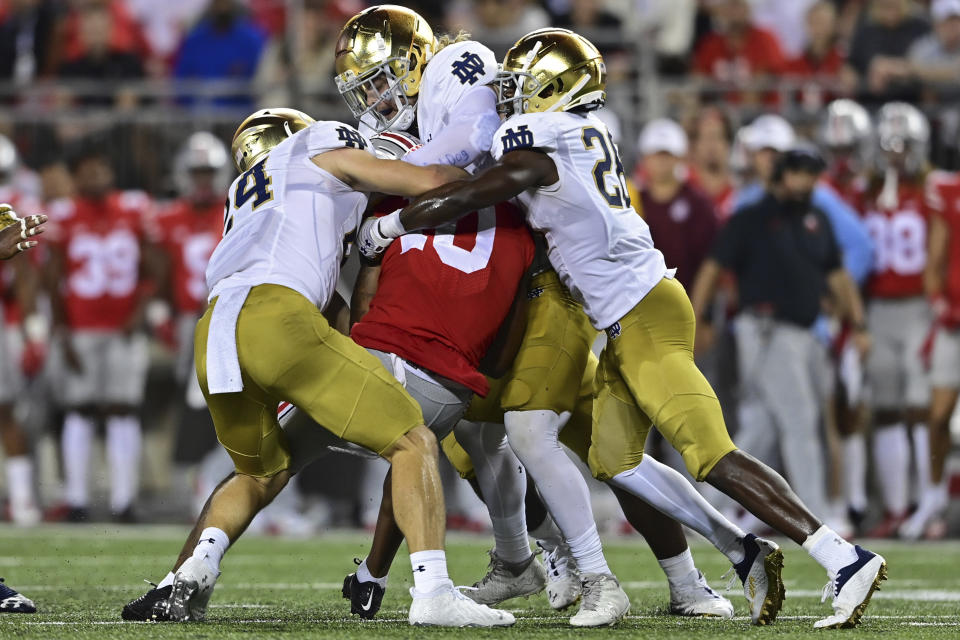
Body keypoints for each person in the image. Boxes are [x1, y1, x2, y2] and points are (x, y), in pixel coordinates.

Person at [359, 28, 888, 630]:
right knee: (617, 459)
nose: (509, 95)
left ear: (555, 88)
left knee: (709, 455)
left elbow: (477, 187)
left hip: (645, 313)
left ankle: (843, 558)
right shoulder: (583, 131)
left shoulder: (541, 140)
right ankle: (742, 551)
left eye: (523, 84)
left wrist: (392, 222)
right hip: (621, 317)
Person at [335, 8, 734, 626]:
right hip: (517, 288)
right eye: (365, 88)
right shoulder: (434, 100)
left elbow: (462, 156)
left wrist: (392, 181)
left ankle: (626, 571)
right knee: (481, 434)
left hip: (548, 284)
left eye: (382, 80)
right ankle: (541, 559)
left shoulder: (454, 69)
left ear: (416, 60)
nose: (377, 98)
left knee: (549, 436)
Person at [122, 108, 513, 628]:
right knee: (412, 439)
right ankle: (435, 592)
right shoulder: (315, 147)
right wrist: (489, 173)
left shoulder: (250, 199)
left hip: (214, 332)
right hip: (278, 318)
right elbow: (431, 180)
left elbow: (336, 317)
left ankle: (186, 576)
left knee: (259, 471)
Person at [45, 147, 155, 523]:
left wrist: (139, 314)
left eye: (101, 168)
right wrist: (61, 331)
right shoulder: (64, 214)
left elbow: (153, 268)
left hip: (123, 326)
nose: (96, 176)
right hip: (81, 325)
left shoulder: (133, 209)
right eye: (88, 170)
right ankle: (77, 499)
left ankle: (124, 501)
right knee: (79, 409)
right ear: (76, 177)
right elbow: (51, 279)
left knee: (122, 408)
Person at [855, 102, 934, 537]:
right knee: (885, 408)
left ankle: (928, 503)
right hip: (877, 308)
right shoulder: (865, 191)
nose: (896, 155)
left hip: (921, 305)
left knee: (922, 407)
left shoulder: (932, 189)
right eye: (888, 146)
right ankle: (899, 508)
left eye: (904, 147)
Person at [905, 165, 960, 539]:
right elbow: (934, 262)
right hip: (954, 323)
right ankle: (933, 496)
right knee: (938, 416)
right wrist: (941, 303)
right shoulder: (949, 191)